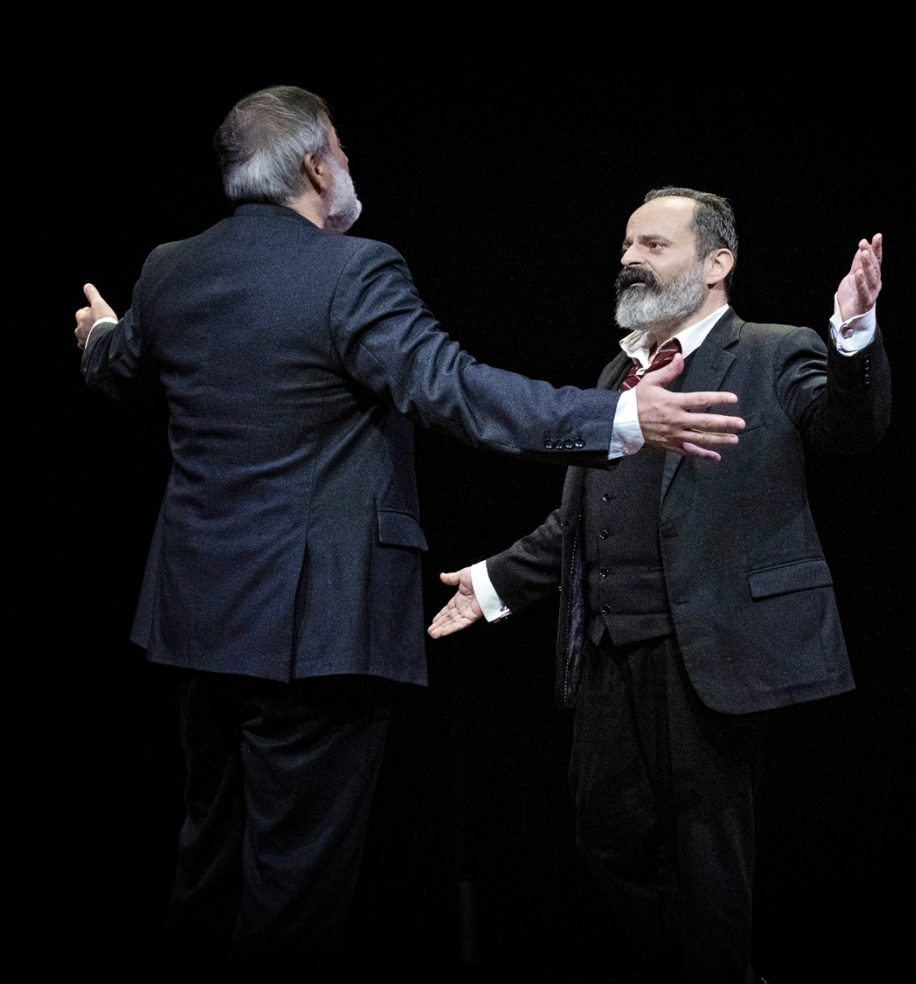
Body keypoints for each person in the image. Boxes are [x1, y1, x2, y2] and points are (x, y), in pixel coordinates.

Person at [73, 90, 746, 979]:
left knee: (209, 862)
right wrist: (620, 418)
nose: (349, 165)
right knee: (292, 890)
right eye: (342, 150)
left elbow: (118, 364)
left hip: (200, 625)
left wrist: (99, 333)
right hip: (316, 631)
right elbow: (452, 388)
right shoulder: (352, 271)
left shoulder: (170, 270)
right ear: (316, 165)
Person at [429, 187, 889, 983]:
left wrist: (852, 334)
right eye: (627, 245)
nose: (630, 259)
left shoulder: (773, 351)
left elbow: (848, 428)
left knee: (710, 858)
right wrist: (494, 581)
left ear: (717, 263)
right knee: (605, 837)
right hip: (612, 647)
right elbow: (582, 517)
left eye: (653, 245)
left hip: (711, 647)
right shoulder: (621, 371)